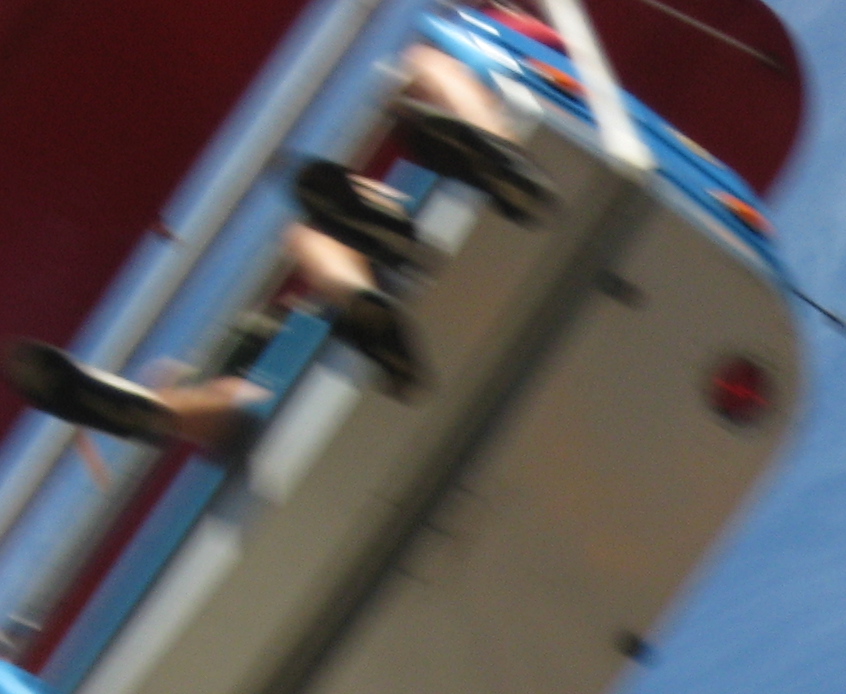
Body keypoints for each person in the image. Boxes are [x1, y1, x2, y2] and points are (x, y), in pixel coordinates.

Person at [4, 34, 554, 449]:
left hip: (331, 256)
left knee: (227, 393)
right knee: (420, 72)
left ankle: (158, 411)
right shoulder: (488, 41)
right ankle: (493, 158)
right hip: (380, 201)